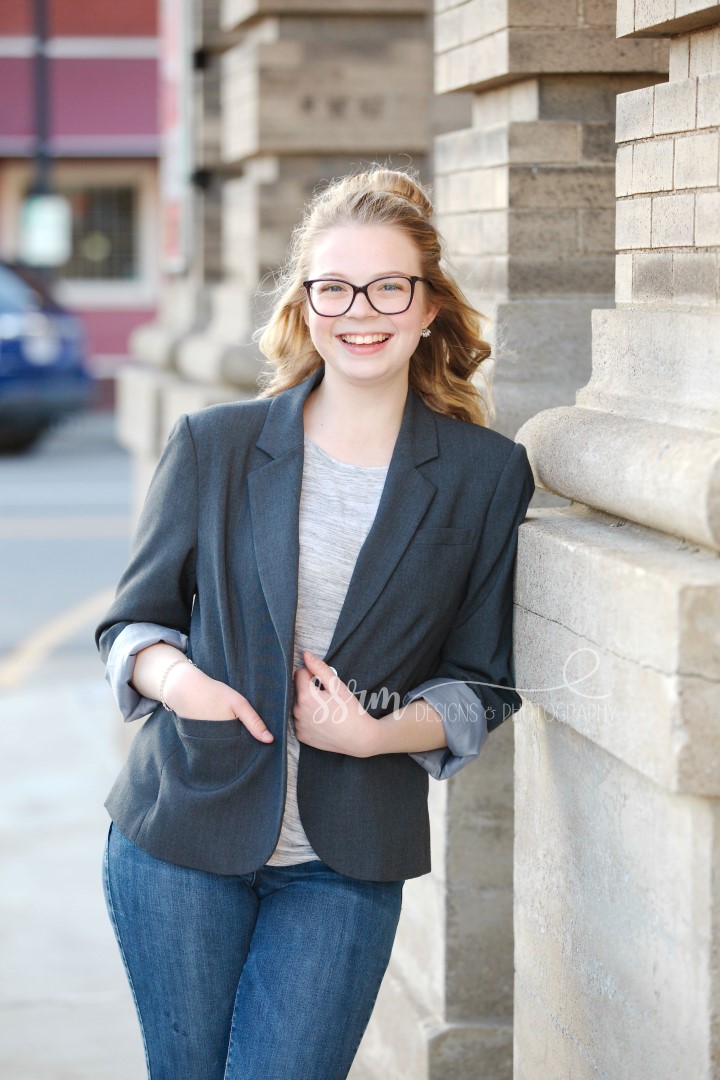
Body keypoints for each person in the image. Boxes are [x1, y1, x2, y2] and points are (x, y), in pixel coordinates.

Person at [96, 165, 535, 1080]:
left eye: (388, 287)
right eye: (333, 287)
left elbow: (483, 681)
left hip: (349, 857)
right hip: (182, 834)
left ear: (428, 307)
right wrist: (182, 683)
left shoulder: (486, 473)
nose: (359, 311)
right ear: (305, 304)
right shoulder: (215, 444)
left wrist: (375, 735)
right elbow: (131, 626)